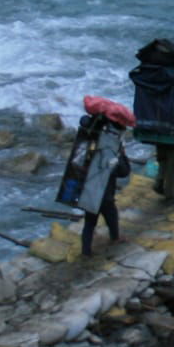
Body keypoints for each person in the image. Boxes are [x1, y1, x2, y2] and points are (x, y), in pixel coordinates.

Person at [57, 96, 133, 252]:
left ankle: (86, 251)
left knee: (90, 222)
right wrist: (122, 155)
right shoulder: (110, 147)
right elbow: (123, 171)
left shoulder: (90, 140)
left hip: (88, 190)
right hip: (104, 192)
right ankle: (115, 238)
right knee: (110, 213)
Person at [129, 39, 174, 199]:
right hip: (172, 124)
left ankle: (159, 182)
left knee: (161, 154)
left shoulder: (145, 72)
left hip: (150, 122)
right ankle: (169, 192)